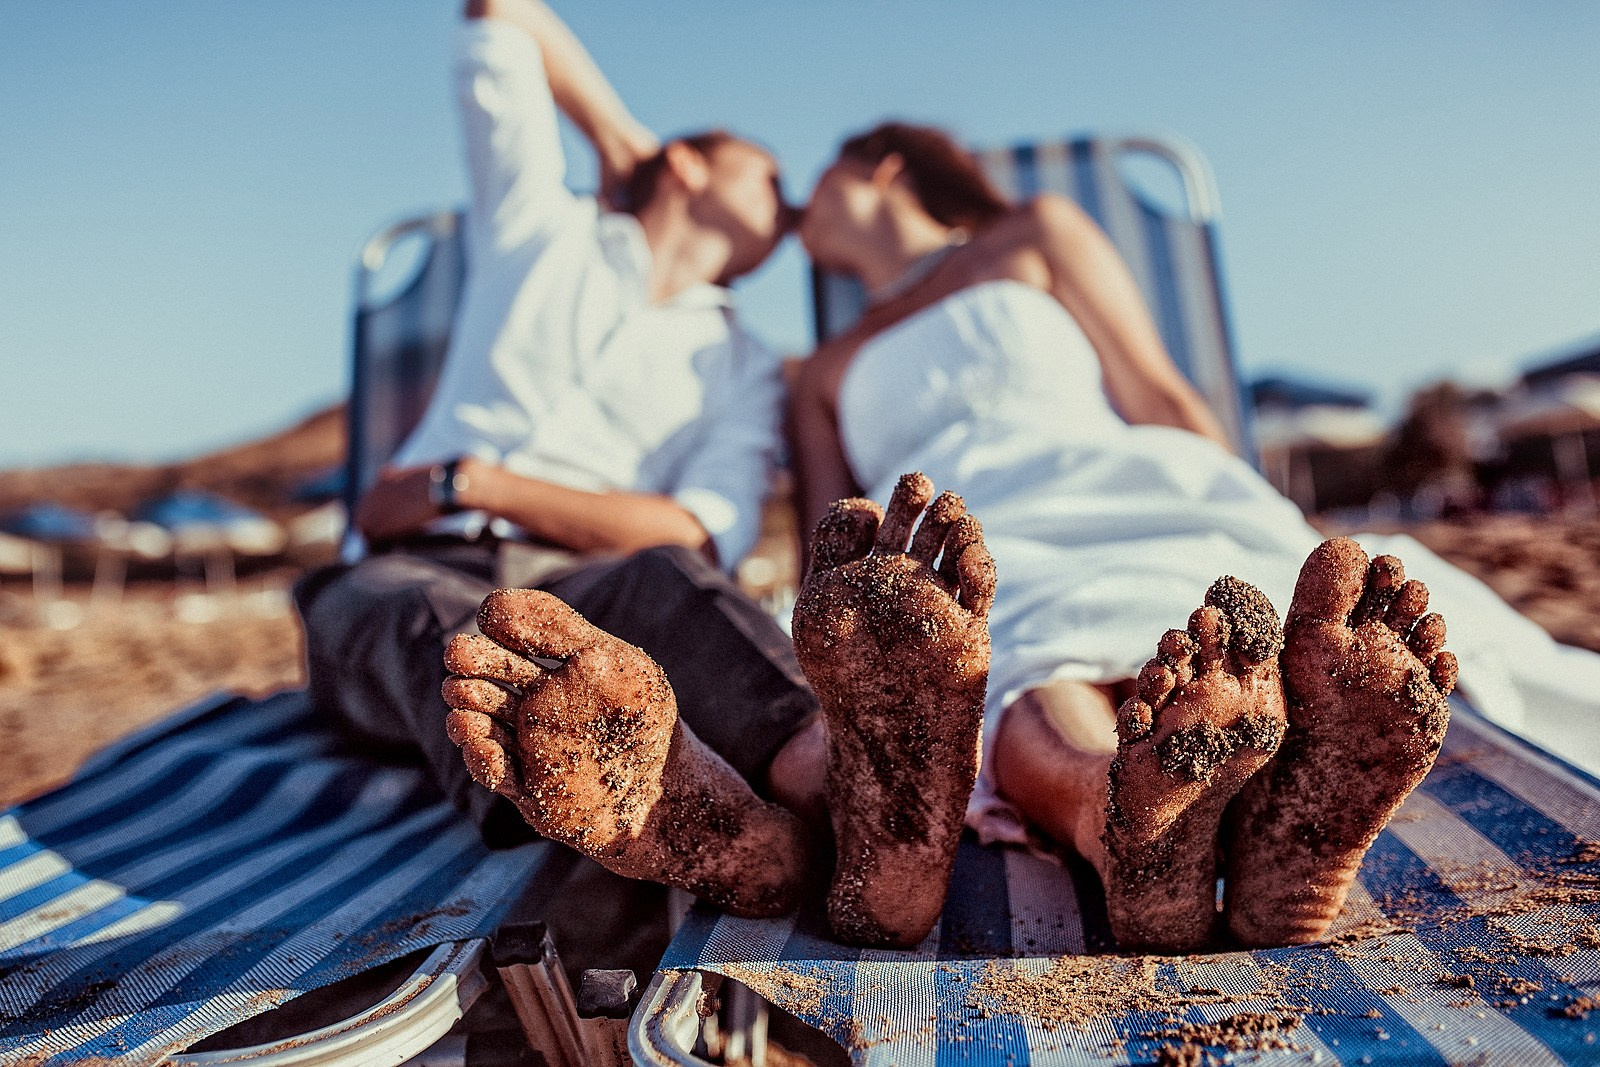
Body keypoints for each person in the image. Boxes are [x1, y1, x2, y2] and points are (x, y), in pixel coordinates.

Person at [437, 120, 1600, 954]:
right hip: (974, 535)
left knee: (1177, 638)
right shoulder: (817, 373)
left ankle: (1262, 803)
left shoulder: (1035, 232)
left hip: (1143, 478)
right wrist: (840, 667)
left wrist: (1261, 513)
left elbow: (1159, 395)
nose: (793, 213)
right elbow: (845, 562)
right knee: (999, 657)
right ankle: (1135, 818)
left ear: (879, 167)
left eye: (811, 183)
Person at [296, 0, 817, 858]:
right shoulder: (538, 227)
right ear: (686, 165)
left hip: (584, 588)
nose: (792, 212)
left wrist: (474, 482)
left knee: (675, 584)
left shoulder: (745, 361)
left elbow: (698, 528)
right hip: (418, 565)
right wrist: (619, 137)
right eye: (771, 180)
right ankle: (666, 830)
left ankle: (836, 787)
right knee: (448, 624)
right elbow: (496, 10)